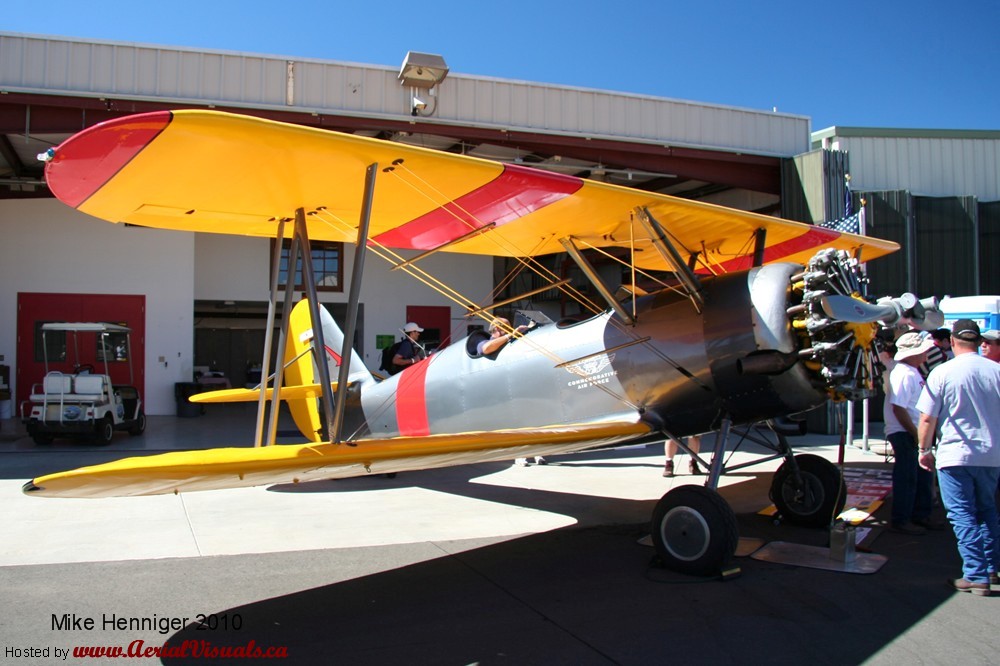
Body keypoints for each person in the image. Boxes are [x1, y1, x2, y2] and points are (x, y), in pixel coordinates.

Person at [916, 319, 1000, 597]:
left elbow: (927, 418)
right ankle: (990, 568)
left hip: (955, 454)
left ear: (952, 341)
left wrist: (923, 450)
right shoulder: (996, 371)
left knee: (962, 513)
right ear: (978, 342)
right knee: (987, 510)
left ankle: (975, 574)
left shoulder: (943, 372)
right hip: (991, 454)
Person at [883, 331, 937, 535]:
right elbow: (899, 408)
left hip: (910, 430)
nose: (926, 355)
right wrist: (915, 433)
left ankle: (919, 514)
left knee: (920, 474)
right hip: (905, 431)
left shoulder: (909, 371)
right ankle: (903, 518)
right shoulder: (905, 373)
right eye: (923, 352)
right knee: (908, 476)